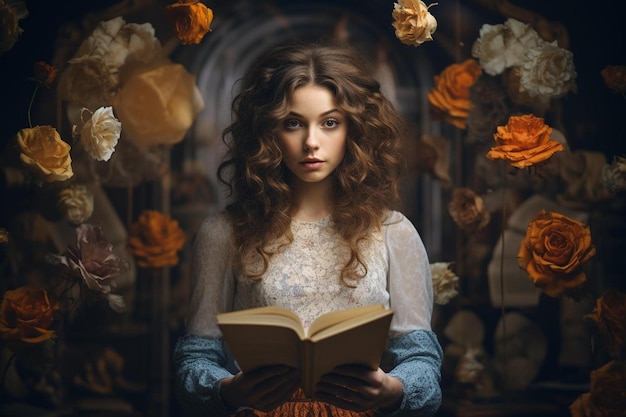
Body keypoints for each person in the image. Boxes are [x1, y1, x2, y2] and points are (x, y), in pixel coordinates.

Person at [173, 39, 443, 417]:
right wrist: (231, 390)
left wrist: (389, 389)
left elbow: (424, 367)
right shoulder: (225, 232)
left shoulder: (393, 231)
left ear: (354, 129)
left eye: (330, 123)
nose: (311, 142)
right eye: (293, 123)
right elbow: (194, 362)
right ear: (267, 131)